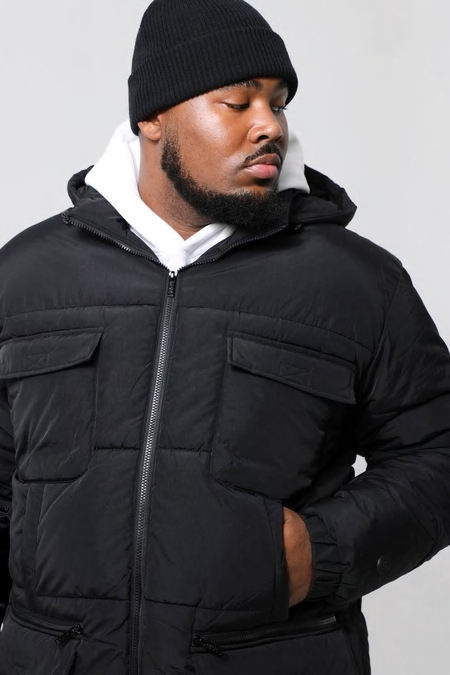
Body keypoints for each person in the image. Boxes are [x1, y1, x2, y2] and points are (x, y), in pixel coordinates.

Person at [0, 0, 449, 673]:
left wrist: (321, 550)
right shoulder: (27, 277)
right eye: (237, 102)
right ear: (153, 118)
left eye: (278, 103)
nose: (269, 125)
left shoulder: (355, 282)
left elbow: (437, 452)